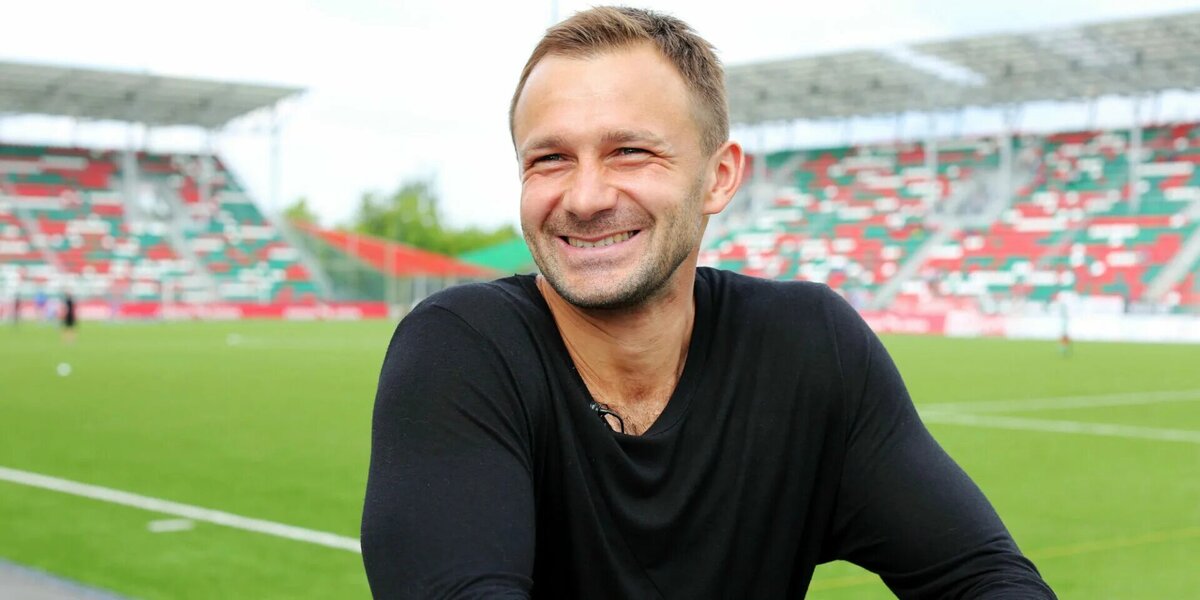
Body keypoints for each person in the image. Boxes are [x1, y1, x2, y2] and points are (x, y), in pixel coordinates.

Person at [361, 7, 1055, 598]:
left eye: (630, 151)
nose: (585, 196)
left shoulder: (807, 346)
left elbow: (983, 575)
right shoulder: (464, 348)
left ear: (719, 178)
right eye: (550, 159)